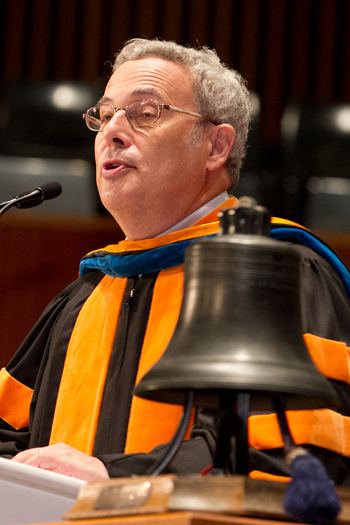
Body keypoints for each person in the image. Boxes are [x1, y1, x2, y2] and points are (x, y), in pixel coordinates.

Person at [1, 38, 350, 485]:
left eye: (146, 113)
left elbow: (294, 452)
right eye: (105, 115)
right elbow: (11, 433)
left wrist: (113, 478)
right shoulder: (85, 296)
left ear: (215, 147)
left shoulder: (279, 273)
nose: (112, 130)